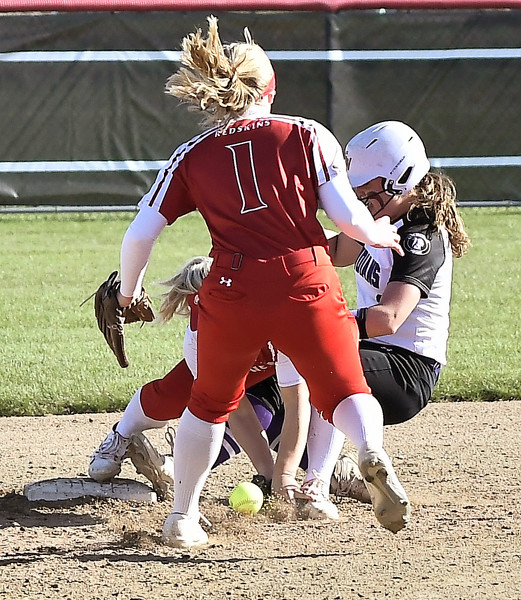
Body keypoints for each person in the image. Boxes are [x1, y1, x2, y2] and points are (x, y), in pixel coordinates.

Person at [106, 16, 411, 548]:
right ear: (271, 88)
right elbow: (346, 216)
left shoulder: (190, 155)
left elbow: (140, 234)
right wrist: (377, 233)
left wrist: (128, 293)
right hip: (305, 276)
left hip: (232, 287)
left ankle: (182, 517)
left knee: (209, 403)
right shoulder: (308, 133)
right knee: (345, 388)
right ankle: (370, 452)